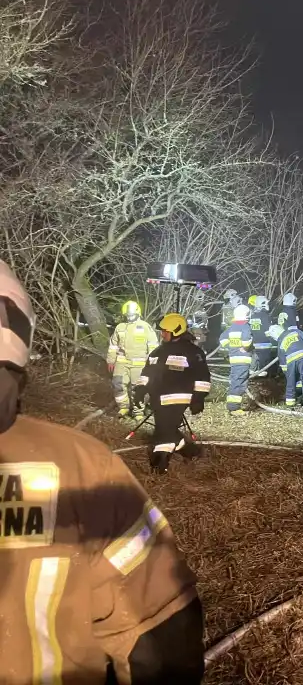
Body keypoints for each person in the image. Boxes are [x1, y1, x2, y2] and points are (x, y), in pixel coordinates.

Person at [0, 260, 205, 683]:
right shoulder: (78, 466)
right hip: (148, 390)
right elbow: (157, 629)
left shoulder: (162, 341)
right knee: (152, 419)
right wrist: (130, 380)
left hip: (167, 400)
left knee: (165, 433)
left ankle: (171, 451)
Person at [134, 313, 211, 473]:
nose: (162, 334)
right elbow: (147, 373)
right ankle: (189, 450)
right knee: (166, 428)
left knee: (163, 432)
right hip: (158, 399)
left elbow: (202, 376)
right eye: (162, 331)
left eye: (165, 331)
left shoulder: (192, 352)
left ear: (176, 331)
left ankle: (159, 466)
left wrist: (198, 398)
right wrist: (141, 389)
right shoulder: (158, 352)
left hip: (179, 398)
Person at [106, 300, 159, 418]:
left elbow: (153, 347)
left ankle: (138, 412)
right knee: (118, 385)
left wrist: (153, 365)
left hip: (140, 365)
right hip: (121, 363)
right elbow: (113, 345)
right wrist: (110, 360)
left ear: (138, 313)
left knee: (139, 389)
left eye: (132, 315)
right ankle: (123, 407)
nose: (129, 317)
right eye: (127, 315)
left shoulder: (146, 327)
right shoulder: (120, 327)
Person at [268, 323, 303, 410]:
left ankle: (290, 405)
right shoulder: (295, 331)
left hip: (290, 361)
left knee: (290, 383)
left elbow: (282, 361)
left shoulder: (281, 341)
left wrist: (288, 374)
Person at [219, 304, 253, 415]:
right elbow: (247, 342)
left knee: (235, 381)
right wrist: (244, 347)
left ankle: (232, 406)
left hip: (233, 359)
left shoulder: (231, 327)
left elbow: (222, 340)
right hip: (243, 360)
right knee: (239, 383)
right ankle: (234, 408)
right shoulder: (245, 326)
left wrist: (232, 347)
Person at [249, 295, 274, 376]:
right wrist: (273, 342)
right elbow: (268, 330)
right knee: (264, 360)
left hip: (255, 343)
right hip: (265, 343)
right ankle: (261, 372)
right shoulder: (265, 316)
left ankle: (253, 370)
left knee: (256, 358)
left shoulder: (252, 316)